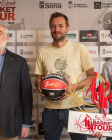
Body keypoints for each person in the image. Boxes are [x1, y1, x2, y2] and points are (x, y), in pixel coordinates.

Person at [34, 12, 95, 140]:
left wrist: (74, 87)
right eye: (53, 26)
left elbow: (91, 76)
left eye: (60, 26)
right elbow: (39, 78)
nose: (57, 29)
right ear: (50, 28)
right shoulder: (43, 52)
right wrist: (39, 83)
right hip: (50, 110)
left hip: (75, 108)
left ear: (68, 28)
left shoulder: (79, 48)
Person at [0, 24, 32, 139]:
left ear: (6, 38)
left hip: (9, 123)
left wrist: (26, 123)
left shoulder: (19, 62)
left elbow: (26, 96)